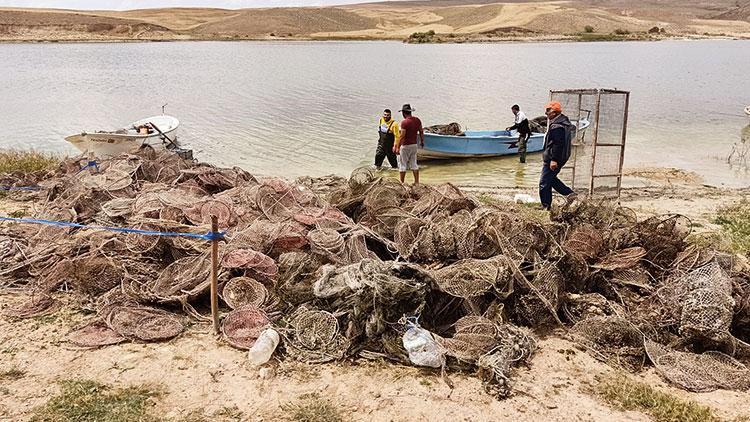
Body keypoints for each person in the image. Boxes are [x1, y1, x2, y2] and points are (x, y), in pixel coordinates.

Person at [539, 101, 577, 210]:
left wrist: (554, 160)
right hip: (559, 157)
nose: (546, 113)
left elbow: (558, 144)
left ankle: (545, 205)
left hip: (554, 157)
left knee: (544, 182)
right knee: (551, 179)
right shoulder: (562, 122)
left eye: (548, 111)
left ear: (555, 113)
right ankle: (570, 194)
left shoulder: (557, 126)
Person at [393, 104, 424, 184]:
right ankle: (417, 182)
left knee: (402, 165)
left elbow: (402, 136)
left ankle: (402, 183)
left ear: (403, 113)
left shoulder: (404, 122)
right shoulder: (417, 120)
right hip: (414, 145)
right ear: (410, 112)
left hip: (405, 146)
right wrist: (422, 141)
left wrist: (397, 147)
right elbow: (421, 131)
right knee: (414, 164)